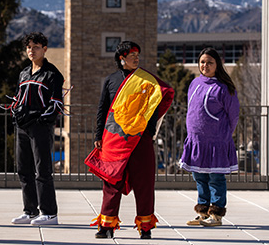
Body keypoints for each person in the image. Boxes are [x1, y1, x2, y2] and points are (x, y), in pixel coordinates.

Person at [86, 41, 174, 239]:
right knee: (111, 181)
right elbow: (103, 110)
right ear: (121, 57)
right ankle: (107, 226)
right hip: (114, 139)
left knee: (144, 183)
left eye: (137, 54)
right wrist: (98, 135)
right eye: (132, 54)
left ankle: (145, 226)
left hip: (140, 139)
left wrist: (149, 131)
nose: (136, 58)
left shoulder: (147, 80)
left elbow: (159, 99)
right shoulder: (110, 80)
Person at [179, 47, 240, 227]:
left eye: (210, 62)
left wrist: (226, 134)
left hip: (217, 141)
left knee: (215, 177)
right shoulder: (194, 83)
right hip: (197, 141)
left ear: (217, 65)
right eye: (203, 62)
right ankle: (203, 212)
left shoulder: (224, 88)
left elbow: (233, 115)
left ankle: (217, 214)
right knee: (199, 177)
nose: (205, 65)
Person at [10, 32, 64, 226]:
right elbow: (17, 98)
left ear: (45, 49)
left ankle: (49, 213)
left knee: (42, 170)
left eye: (36, 47)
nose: (31, 51)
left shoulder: (52, 74)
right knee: (24, 170)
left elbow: (56, 103)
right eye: (29, 47)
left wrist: (41, 119)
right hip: (23, 127)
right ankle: (30, 210)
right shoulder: (24, 73)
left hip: (41, 128)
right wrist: (16, 114)